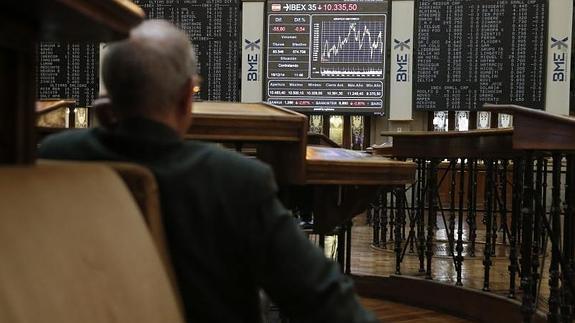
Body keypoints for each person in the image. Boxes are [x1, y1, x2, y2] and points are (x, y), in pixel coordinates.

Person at [39, 20, 377, 323]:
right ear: (188, 96)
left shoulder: (55, 159)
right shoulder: (237, 181)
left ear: (106, 101)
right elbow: (323, 301)